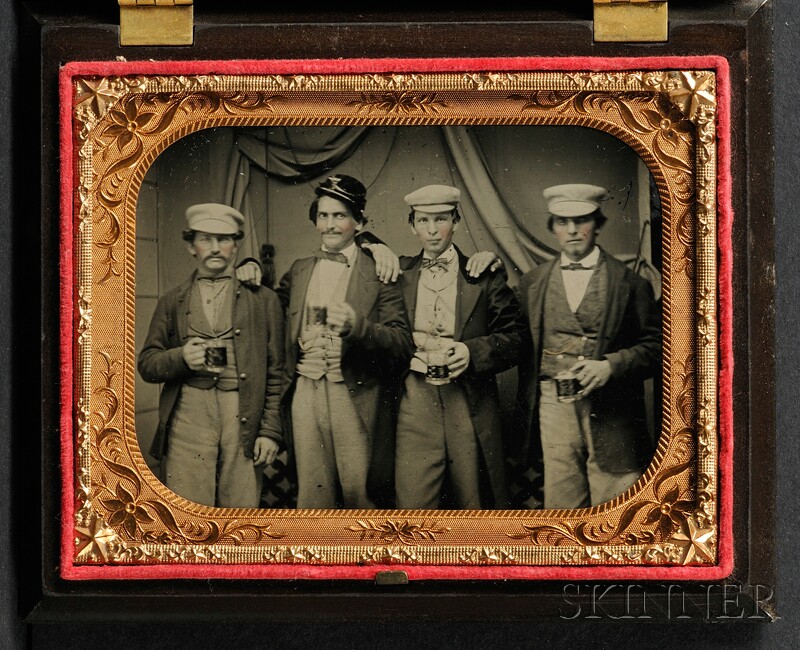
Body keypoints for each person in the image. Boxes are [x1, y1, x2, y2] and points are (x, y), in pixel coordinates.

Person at [516, 183, 661, 509]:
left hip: (614, 411)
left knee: (615, 507)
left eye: (581, 220)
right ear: (552, 227)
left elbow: (657, 348)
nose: (572, 231)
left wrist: (611, 365)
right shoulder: (532, 283)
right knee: (562, 505)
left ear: (597, 224)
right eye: (562, 222)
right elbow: (515, 340)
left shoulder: (631, 283)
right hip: (554, 406)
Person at [277, 174, 414, 509]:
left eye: (340, 216)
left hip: (354, 392)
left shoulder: (379, 269)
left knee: (360, 493)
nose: (330, 225)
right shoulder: (298, 270)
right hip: (305, 393)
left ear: (359, 221)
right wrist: (250, 266)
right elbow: (269, 308)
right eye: (323, 215)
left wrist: (359, 327)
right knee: (311, 495)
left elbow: (403, 343)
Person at [137, 203, 285, 508]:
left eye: (225, 239)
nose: (215, 248)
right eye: (206, 239)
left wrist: (269, 431)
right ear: (191, 246)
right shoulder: (172, 300)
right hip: (189, 413)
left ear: (235, 245)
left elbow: (277, 371)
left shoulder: (264, 300)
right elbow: (147, 363)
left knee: (241, 514)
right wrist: (180, 358)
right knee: (189, 511)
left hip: (243, 414)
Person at [393, 184, 527, 509]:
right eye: (423, 221)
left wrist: (472, 351)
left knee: (473, 502)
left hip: (467, 398)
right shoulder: (398, 272)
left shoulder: (482, 274)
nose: (432, 230)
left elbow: (517, 339)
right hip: (415, 399)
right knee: (412, 504)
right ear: (411, 225)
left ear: (455, 220)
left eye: (441, 219)